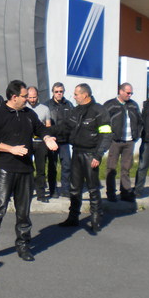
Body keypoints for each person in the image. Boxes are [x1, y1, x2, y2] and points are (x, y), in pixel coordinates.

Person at [0, 80, 57, 263]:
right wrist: (10, 149)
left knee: (23, 211)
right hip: (5, 168)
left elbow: (40, 128)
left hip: (25, 169)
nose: (27, 99)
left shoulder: (29, 114)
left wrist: (47, 137)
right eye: (24, 96)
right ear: (14, 97)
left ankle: (23, 245)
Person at [57, 84, 113, 234]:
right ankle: (73, 217)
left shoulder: (99, 110)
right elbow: (65, 127)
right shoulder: (76, 110)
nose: (74, 97)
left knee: (93, 188)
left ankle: (95, 219)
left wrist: (98, 155)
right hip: (77, 152)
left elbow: (106, 134)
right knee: (74, 188)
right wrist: (48, 133)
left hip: (91, 155)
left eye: (76, 94)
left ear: (85, 95)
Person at [103, 83, 142, 202]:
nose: (130, 95)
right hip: (115, 142)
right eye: (128, 93)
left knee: (126, 168)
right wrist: (109, 137)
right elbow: (103, 122)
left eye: (131, 93)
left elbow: (140, 122)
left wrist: (137, 135)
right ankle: (111, 193)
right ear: (120, 91)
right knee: (111, 168)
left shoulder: (133, 105)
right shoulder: (110, 105)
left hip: (129, 142)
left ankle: (125, 192)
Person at [45, 82, 73, 198]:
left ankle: (66, 189)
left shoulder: (69, 105)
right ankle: (53, 190)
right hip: (52, 140)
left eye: (61, 91)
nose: (59, 93)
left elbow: (73, 121)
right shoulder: (47, 105)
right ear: (53, 92)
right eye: (56, 91)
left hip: (65, 140)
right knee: (52, 166)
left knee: (67, 165)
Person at [26, 86, 52, 202]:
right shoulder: (23, 109)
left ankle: (41, 194)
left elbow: (48, 126)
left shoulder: (45, 109)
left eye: (34, 97)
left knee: (41, 169)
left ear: (38, 96)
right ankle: (27, 192)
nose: (32, 100)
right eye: (30, 97)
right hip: (27, 142)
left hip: (40, 142)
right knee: (27, 168)